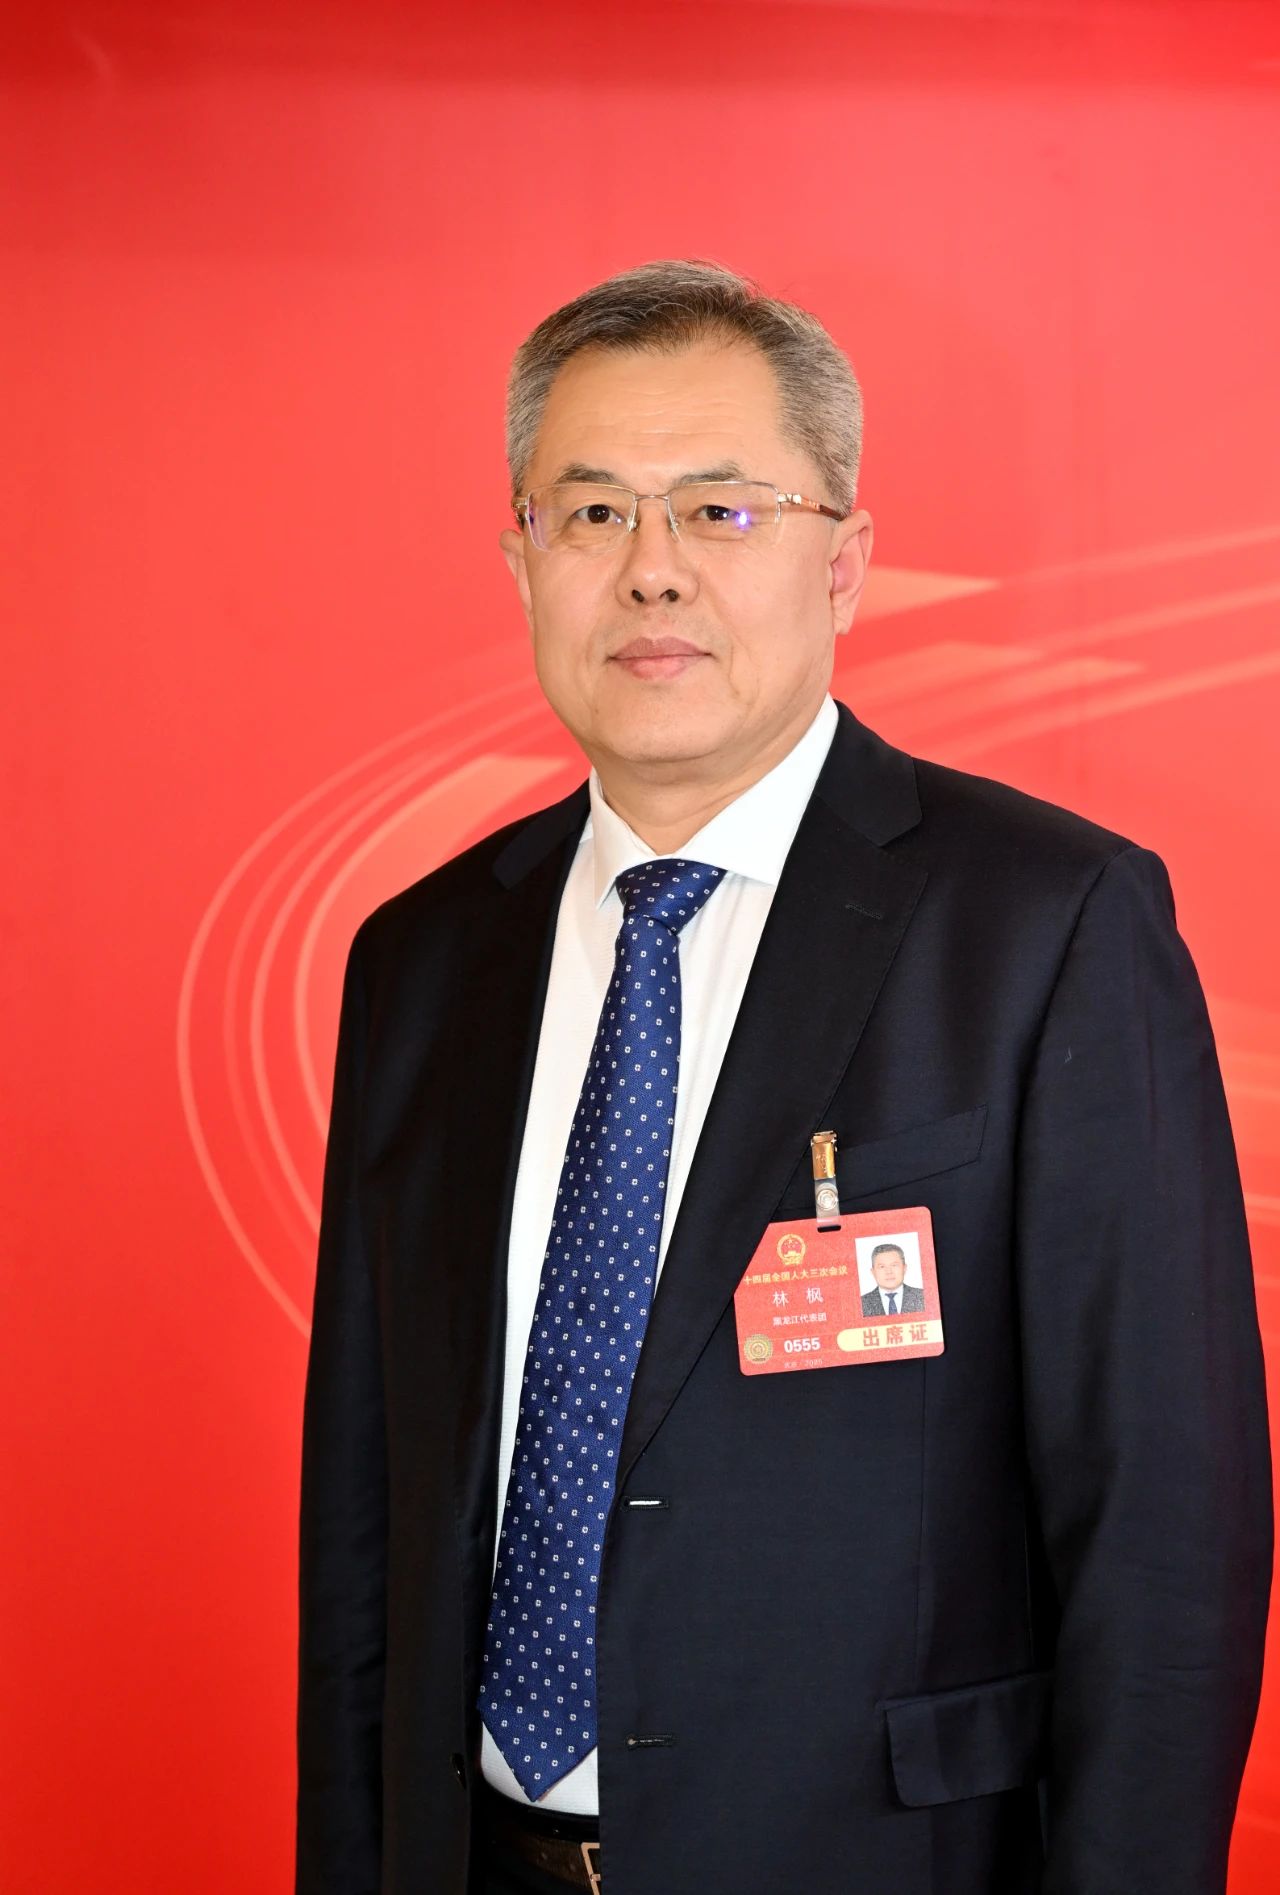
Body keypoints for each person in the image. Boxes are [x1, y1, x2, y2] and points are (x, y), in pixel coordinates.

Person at [295, 260, 1272, 1895]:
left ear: (847, 560)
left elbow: (1166, 1534)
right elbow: (366, 1526)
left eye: (722, 510)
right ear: (523, 560)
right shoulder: (421, 958)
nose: (652, 567)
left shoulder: (1047, 926)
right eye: (591, 512)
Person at [861, 1241, 925, 1318]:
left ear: (904, 1268)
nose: (889, 1272)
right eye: (882, 1267)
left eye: (894, 1265)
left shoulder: (923, 1296)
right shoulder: (861, 1303)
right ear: (873, 1272)